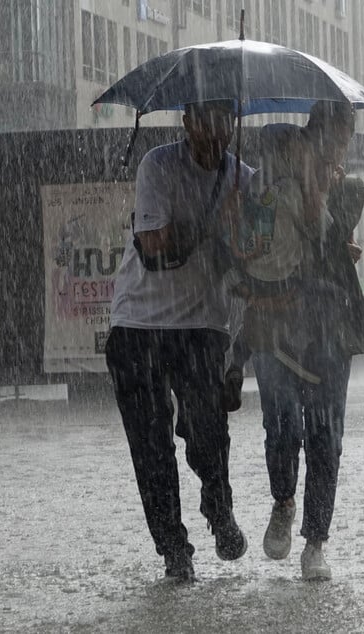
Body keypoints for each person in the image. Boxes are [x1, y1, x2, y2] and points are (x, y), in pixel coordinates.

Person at [105, 100, 252, 583]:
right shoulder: (159, 165)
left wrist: (245, 229)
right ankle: (174, 551)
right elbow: (154, 244)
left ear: (234, 122)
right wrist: (216, 221)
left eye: (224, 118)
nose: (215, 131)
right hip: (139, 324)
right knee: (151, 447)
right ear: (187, 122)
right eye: (204, 118)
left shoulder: (245, 180)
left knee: (208, 431)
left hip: (202, 326)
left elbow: (254, 262)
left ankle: (219, 504)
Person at [239, 100, 361, 580]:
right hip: (275, 319)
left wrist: (323, 191)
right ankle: (284, 500)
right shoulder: (271, 178)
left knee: (326, 434)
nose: (338, 152)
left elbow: (332, 242)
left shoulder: (347, 187)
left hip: (328, 327)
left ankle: (316, 541)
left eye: (342, 144)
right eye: (335, 141)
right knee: (282, 423)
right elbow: (254, 246)